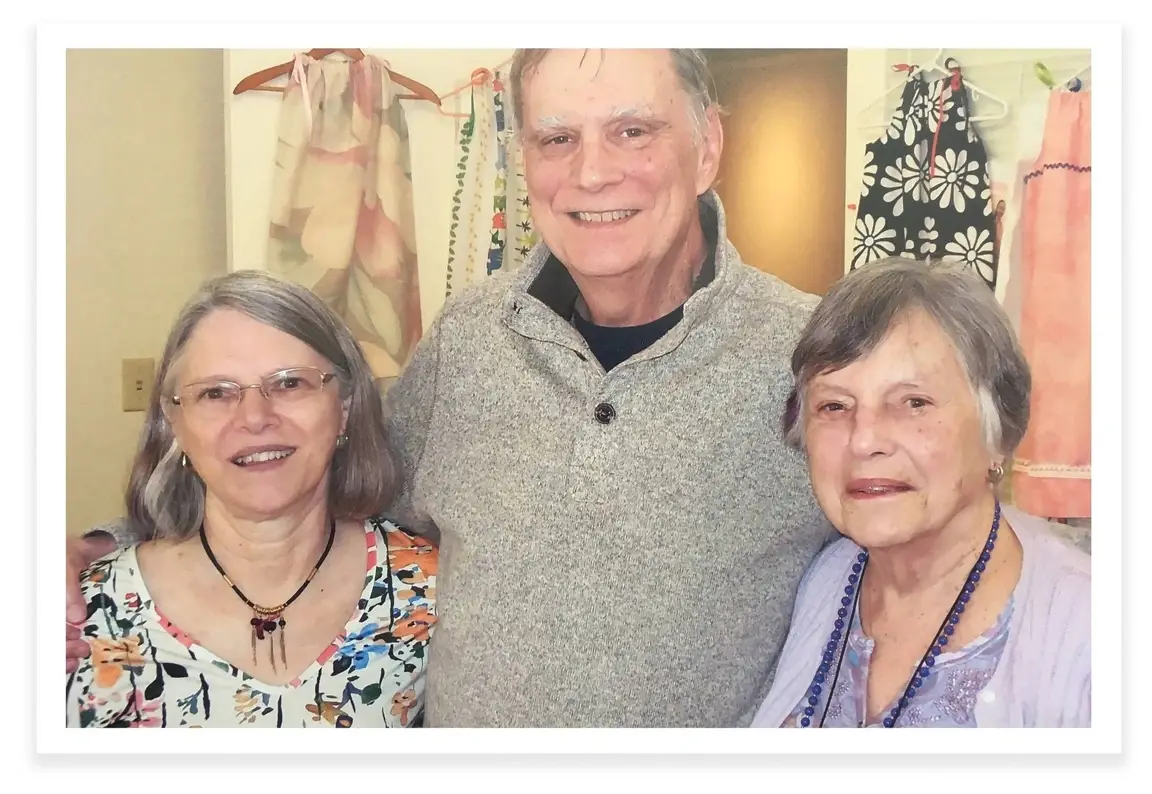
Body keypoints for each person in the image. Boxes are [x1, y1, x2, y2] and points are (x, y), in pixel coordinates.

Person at [67, 48, 831, 728]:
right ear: (523, 160)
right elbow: (314, 472)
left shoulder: (812, 356)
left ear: (707, 149)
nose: (592, 171)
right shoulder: (471, 336)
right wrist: (104, 550)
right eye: (556, 137)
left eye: (633, 130)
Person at [66, 270, 437, 728]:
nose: (255, 418)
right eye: (216, 393)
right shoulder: (74, 620)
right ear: (175, 424)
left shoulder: (431, 593)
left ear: (344, 409)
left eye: (288, 384)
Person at [751, 256, 1090, 729]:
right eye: (834, 405)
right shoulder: (827, 579)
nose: (864, 439)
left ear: (997, 433)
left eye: (914, 402)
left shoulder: (1093, 632)